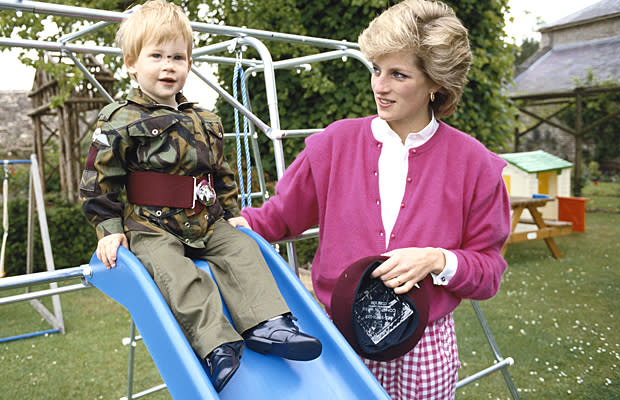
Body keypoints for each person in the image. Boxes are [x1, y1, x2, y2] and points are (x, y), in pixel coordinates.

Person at [229, 0, 511, 398]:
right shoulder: (332, 145)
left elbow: (489, 271)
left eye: (398, 74)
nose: (380, 85)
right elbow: (278, 217)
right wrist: (237, 226)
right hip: (337, 336)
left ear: (436, 83)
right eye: (376, 69)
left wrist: (436, 259)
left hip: (424, 346)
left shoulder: (477, 166)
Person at [78, 0, 321, 393]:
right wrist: (107, 229)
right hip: (151, 226)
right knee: (177, 274)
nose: (168, 65)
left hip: (206, 219)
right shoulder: (119, 119)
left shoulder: (206, 119)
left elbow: (220, 174)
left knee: (243, 250)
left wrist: (231, 213)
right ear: (131, 62)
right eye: (156, 56)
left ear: (189, 63)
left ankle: (268, 324)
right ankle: (217, 345)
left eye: (178, 57)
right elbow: (98, 179)